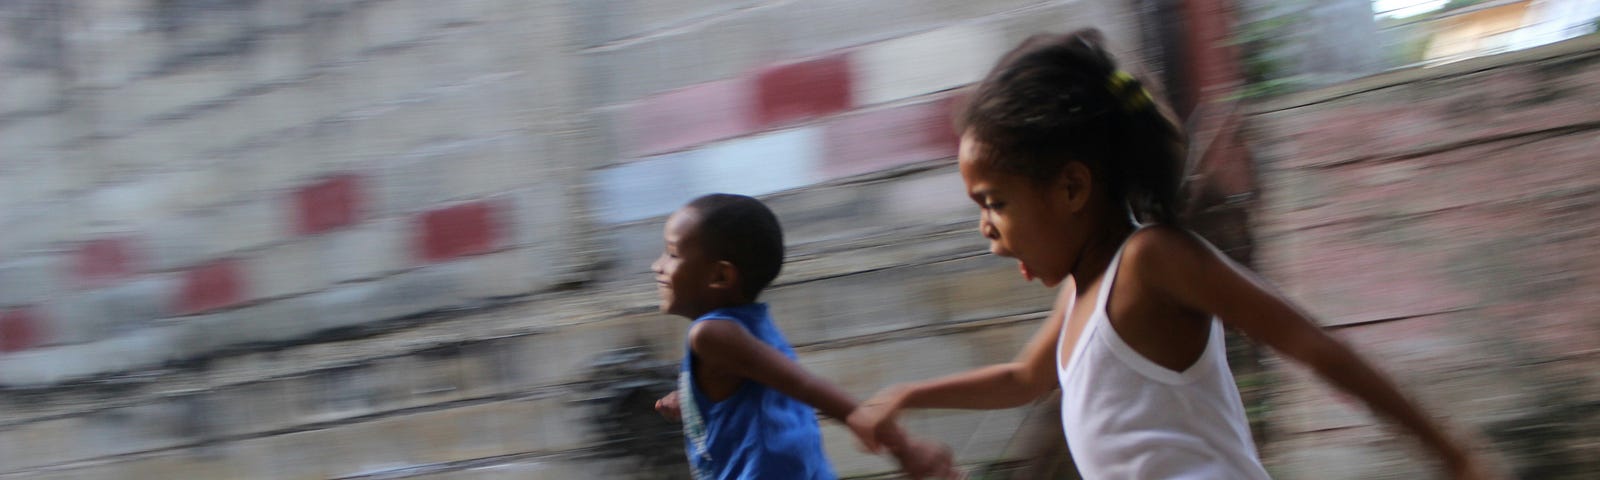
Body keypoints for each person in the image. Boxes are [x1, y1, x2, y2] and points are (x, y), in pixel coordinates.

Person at [845, 29, 1497, 479]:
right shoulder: (1084, 292)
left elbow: (1310, 343)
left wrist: (1450, 453)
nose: (986, 229)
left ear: (1072, 186)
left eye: (995, 202)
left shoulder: (1151, 261)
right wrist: (907, 392)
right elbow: (1023, 378)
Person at [650, 193, 960, 479]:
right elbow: (761, 393)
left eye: (672, 254)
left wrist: (903, 447)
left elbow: (806, 386)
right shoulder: (748, 327)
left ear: (720, 276)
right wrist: (693, 399)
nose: (658, 266)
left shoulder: (712, 334)